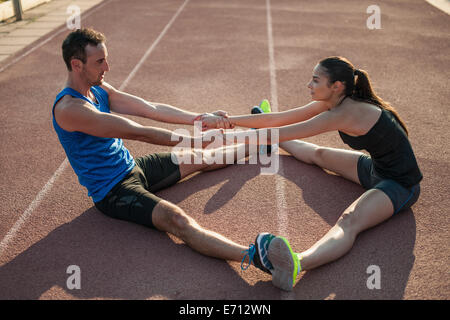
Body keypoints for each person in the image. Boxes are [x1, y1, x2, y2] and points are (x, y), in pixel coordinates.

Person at [52, 28, 271, 274]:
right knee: (177, 220)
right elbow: (139, 132)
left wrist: (201, 119)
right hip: (112, 191)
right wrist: (194, 140)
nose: (107, 67)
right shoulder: (70, 109)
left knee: (203, 159)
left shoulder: (97, 88)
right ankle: (256, 257)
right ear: (76, 64)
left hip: (133, 167)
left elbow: (150, 108)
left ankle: (261, 144)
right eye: (100, 61)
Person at [211, 56, 423, 291]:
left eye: (315, 80)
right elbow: (280, 119)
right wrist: (228, 121)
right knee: (318, 154)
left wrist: (218, 136)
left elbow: (282, 129)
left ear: (336, 86)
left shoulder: (344, 113)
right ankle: (270, 144)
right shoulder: (335, 101)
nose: (308, 85)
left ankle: (296, 263)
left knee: (349, 221)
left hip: (400, 184)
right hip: (375, 168)